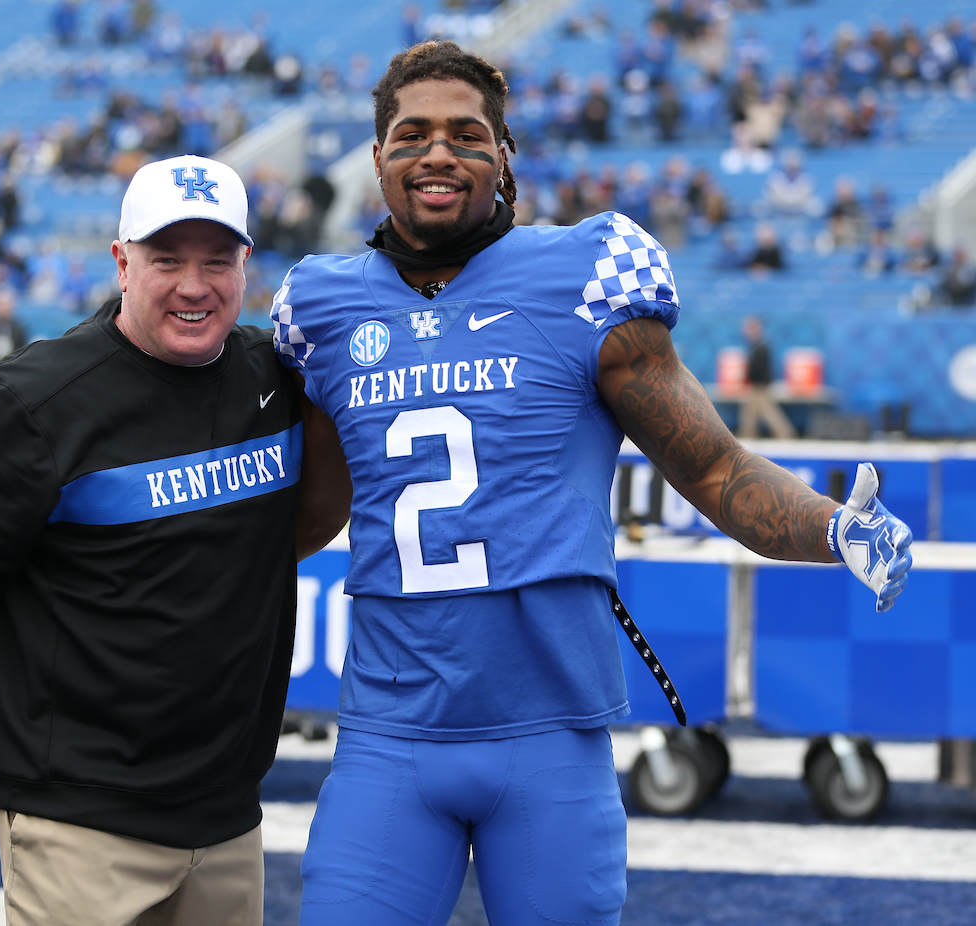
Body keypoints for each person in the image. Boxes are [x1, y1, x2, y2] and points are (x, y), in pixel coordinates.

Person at [270, 41, 913, 926]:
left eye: (467, 134)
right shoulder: (322, 306)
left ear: (505, 160)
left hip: (551, 735)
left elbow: (718, 469)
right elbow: (309, 512)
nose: (438, 153)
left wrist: (834, 528)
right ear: (377, 158)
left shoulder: (586, 275)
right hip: (389, 731)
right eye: (411, 135)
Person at [0, 154, 350, 925]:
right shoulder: (39, 405)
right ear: (121, 263)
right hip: (80, 825)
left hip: (229, 816)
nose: (194, 285)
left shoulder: (275, 376)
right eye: (167, 259)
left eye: (216, 260)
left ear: (247, 265)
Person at [739, 315, 796, 439]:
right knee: (751, 412)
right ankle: (748, 434)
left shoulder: (762, 347)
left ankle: (785, 434)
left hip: (760, 386)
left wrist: (749, 379)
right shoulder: (757, 346)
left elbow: (758, 368)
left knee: (768, 413)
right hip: (757, 385)